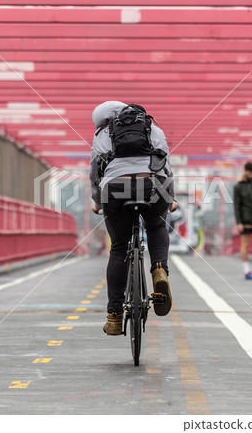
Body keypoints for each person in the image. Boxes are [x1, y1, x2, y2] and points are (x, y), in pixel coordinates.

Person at [89, 101, 177, 335]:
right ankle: (159, 269)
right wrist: (171, 197)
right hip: (154, 184)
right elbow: (166, 163)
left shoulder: (101, 134)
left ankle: (115, 316)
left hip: (115, 188)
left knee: (119, 248)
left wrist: (98, 201)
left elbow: (95, 172)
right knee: (156, 225)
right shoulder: (152, 128)